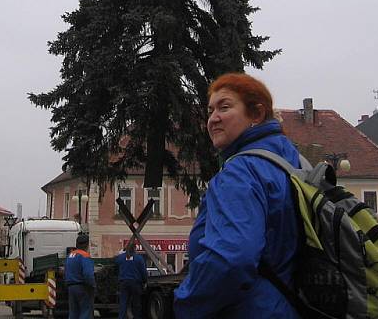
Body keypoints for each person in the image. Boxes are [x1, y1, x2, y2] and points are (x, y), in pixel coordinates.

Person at [174, 72, 302, 318]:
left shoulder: (240, 172)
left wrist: (186, 302)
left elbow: (231, 258)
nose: (213, 119)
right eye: (210, 110)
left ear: (256, 114)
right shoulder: (294, 164)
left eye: (224, 107)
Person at [65, 233, 95, 319]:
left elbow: (66, 271)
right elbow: (88, 274)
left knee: (73, 313)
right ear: (86, 244)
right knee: (85, 311)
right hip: (83, 288)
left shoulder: (70, 255)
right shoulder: (85, 256)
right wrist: (92, 285)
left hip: (71, 287)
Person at [114, 244, 147, 319]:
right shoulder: (139, 258)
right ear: (135, 249)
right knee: (136, 304)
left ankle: (121, 317)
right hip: (136, 284)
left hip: (123, 283)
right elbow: (143, 272)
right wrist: (145, 281)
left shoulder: (121, 258)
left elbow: (115, 265)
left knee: (123, 303)